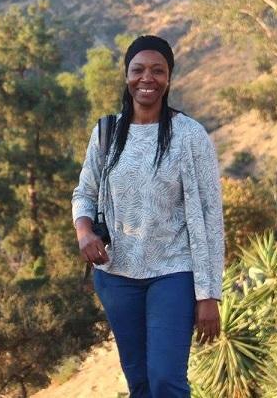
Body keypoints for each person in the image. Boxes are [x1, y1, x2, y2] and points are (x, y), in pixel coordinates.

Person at [71, 35, 224, 398]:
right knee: (139, 382)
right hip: (116, 277)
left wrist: (208, 294)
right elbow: (85, 192)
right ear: (126, 75)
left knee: (166, 380)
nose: (147, 78)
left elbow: (210, 217)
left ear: (169, 78)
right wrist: (84, 232)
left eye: (158, 70)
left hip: (172, 273)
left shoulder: (189, 135)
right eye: (138, 69)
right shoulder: (107, 132)